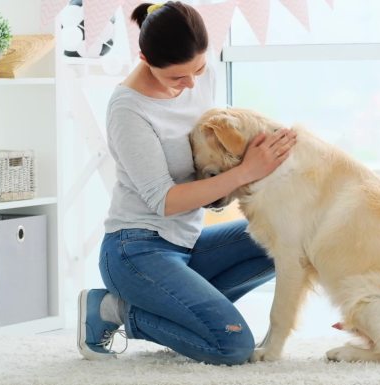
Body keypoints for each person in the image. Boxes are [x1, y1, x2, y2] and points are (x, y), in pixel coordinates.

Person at [77, 1, 296, 366]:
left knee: (284, 235)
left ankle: (182, 311)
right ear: (145, 60)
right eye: (178, 78)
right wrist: (245, 172)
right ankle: (113, 309)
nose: (192, 83)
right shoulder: (128, 110)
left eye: (198, 68)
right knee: (233, 346)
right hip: (137, 249)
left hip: (189, 243)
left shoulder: (199, 73)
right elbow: (165, 201)